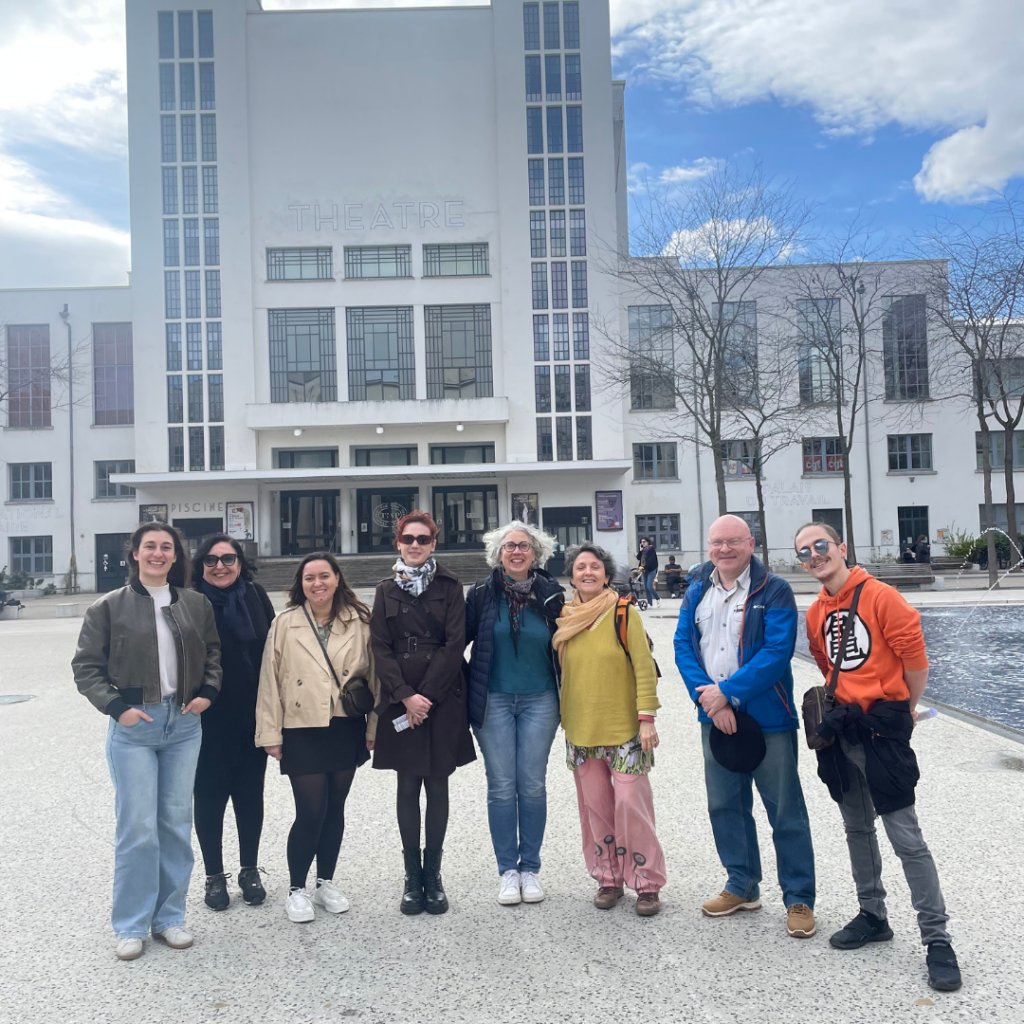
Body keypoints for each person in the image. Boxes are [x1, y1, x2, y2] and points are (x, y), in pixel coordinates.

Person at [796, 521, 961, 992]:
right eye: (804, 551)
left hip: (882, 734)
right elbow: (827, 665)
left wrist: (902, 712)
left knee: (907, 838)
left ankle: (937, 938)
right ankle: (873, 914)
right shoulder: (816, 612)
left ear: (841, 547)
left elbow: (916, 664)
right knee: (857, 829)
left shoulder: (883, 598)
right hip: (842, 734)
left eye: (821, 545)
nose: (814, 555)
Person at [72, 522, 221, 961]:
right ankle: (132, 924)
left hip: (184, 725)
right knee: (137, 827)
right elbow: (86, 667)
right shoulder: (108, 606)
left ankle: (170, 917)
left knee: (175, 823)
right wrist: (117, 708)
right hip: (135, 727)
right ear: (134, 553)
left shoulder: (195, 603)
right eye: (150, 546)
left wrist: (207, 692)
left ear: (176, 556)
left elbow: (213, 653)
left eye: (166, 547)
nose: (158, 553)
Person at [673, 514, 816, 939]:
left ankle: (799, 897)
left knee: (784, 810)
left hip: (768, 719)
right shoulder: (697, 590)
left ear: (750, 544)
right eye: (717, 542)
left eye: (734, 541)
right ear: (709, 546)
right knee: (725, 805)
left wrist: (728, 693)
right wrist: (708, 699)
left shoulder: (774, 590)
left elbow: (776, 652)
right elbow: (683, 646)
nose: (725, 549)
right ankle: (742, 884)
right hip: (714, 718)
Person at [255, 552, 378, 923]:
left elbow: (375, 678)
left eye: (324, 575)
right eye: (309, 578)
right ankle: (297, 888)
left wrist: (374, 728)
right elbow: (269, 679)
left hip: (345, 723)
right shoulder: (285, 622)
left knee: (335, 808)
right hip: (301, 725)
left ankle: (325, 882)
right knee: (310, 810)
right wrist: (270, 733)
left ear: (337, 578)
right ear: (301, 584)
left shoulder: (360, 620)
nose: (317, 583)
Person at [370, 511, 475, 916]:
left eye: (423, 539)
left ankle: (434, 875)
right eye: (409, 538)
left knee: (437, 784)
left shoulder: (449, 586)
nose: (415, 545)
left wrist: (425, 697)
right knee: (407, 785)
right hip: (401, 697)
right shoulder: (385, 589)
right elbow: (380, 647)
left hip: (441, 697)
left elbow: (455, 644)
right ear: (398, 542)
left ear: (434, 543)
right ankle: (412, 877)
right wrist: (405, 696)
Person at [553, 542, 666, 917]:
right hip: (581, 730)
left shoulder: (623, 612)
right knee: (596, 809)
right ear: (571, 577)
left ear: (606, 575)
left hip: (625, 729)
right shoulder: (565, 617)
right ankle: (608, 878)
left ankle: (646, 883)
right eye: (580, 567)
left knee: (632, 805)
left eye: (595, 567)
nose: (588, 572)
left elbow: (644, 668)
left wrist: (646, 717)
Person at [465, 521, 564, 906]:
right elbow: (455, 641)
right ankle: (508, 869)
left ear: (535, 553)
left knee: (533, 784)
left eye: (524, 546)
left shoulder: (553, 595)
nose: (517, 552)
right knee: (502, 785)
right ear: (498, 553)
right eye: (510, 546)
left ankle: (531, 869)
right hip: (494, 701)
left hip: (541, 700)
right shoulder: (481, 594)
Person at [191, 534, 275, 912]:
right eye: (211, 560)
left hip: (251, 715)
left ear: (240, 563)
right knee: (209, 797)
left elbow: (273, 650)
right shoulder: (190, 601)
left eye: (228, 558)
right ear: (200, 566)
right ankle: (213, 874)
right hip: (206, 717)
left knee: (249, 795)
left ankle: (249, 870)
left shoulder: (255, 596)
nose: (220, 566)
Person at [638, 537, 660, 608]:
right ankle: (650, 603)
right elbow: (638, 558)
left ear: (648, 542)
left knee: (649, 586)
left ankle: (658, 598)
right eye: (641, 542)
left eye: (644, 542)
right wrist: (640, 551)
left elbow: (651, 560)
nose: (642, 543)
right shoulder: (643, 550)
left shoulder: (651, 549)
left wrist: (644, 566)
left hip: (651, 569)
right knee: (645, 587)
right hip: (644, 570)